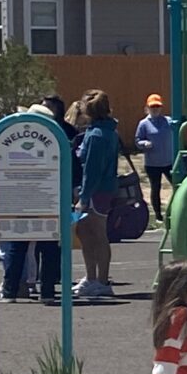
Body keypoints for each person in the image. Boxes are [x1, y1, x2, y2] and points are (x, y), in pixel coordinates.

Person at [0, 95, 69, 303]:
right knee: (48, 246)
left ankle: (10, 290)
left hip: (21, 196)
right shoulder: (57, 140)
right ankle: (47, 291)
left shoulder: (12, 139)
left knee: (17, 245)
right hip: (48, 196)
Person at [71, 90, 122, 304]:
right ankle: (92, 277)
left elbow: (91, 170)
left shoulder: (96, 136)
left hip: (96, 191)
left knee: (96, 233)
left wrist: (84, 197)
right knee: (85, 231)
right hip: (102, 189)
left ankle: (100, 280)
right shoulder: (107, 132)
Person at [134, 95, 177, 220]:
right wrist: (144, 144)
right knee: (155, 188)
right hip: (152, 163)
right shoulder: (143, 124)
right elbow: (137, 140)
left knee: (177, 185)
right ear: (147, 108)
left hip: (169, 161)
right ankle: (158, 215)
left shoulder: (168, 121)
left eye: (158, 106)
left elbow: (177, 127)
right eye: (153, 106)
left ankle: (174, 210)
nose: (155, 109)